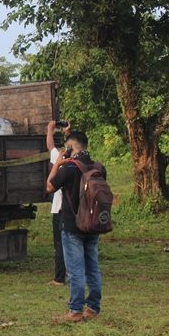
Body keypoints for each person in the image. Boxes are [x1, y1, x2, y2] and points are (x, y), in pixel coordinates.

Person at [46, 131, 106, 323]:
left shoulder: (69, 168)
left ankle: (75, 311)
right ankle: (94, 308)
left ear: (71, 147)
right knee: (93, 267)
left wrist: (57, 163)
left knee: (75, 269)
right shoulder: (99, 167)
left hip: (73, 226)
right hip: (93, 224)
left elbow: (49, 186)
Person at [46, 120, 70, 286]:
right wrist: (68, 132)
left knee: (60, 244)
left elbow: (50, 146)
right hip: (76, 209)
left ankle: (59, 278)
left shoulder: (60, 159)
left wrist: (50, 129)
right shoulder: (78, 159)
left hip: (60, 208)